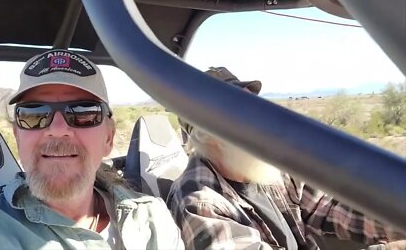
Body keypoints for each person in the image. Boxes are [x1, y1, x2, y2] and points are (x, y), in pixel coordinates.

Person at [0, 49, 184, 250]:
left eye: (83, 113)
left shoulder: (152, 218)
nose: (57, 129)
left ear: (109, 138)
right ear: (18, 136)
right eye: (34, 114)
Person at [167, 66, 405, 250]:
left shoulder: (268, 169)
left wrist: (395, 220)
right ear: (208, 133)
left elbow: (329, 208)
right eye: (243, 111)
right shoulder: (198, 202)